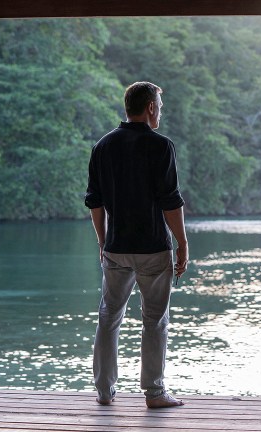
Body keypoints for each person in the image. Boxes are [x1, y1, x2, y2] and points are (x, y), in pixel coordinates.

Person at [84, 81, 188, 408]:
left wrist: (103, 241)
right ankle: (155, 393)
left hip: (116, 247)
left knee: (108, 316)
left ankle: (104, 391)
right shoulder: (161, 146)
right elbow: (170, 201)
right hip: (154, 248)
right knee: (154, 320)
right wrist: (182, 242)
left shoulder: (103, 145)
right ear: (151, 107)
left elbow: (95, 203)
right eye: (161, 105)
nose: (161, 111)